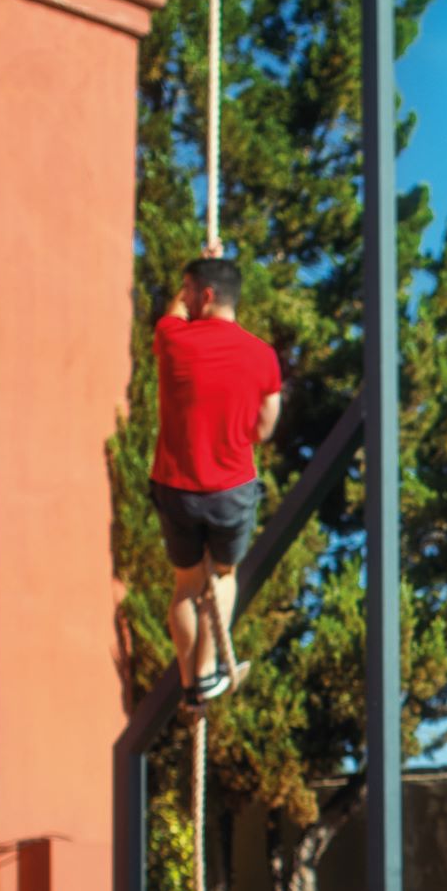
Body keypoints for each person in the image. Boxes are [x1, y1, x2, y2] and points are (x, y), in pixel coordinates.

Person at [149, 249, 280, 708]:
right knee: (223, 578)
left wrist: (180, 303)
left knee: (186, 584)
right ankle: (206, 675)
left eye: (187, 290)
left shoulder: (172, 338)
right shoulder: (263, 357)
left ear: (204, 295)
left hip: (176, 487)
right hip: (230, 490)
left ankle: (192, 680)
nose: (182, 299)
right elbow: (264, 429)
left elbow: (170, 318)